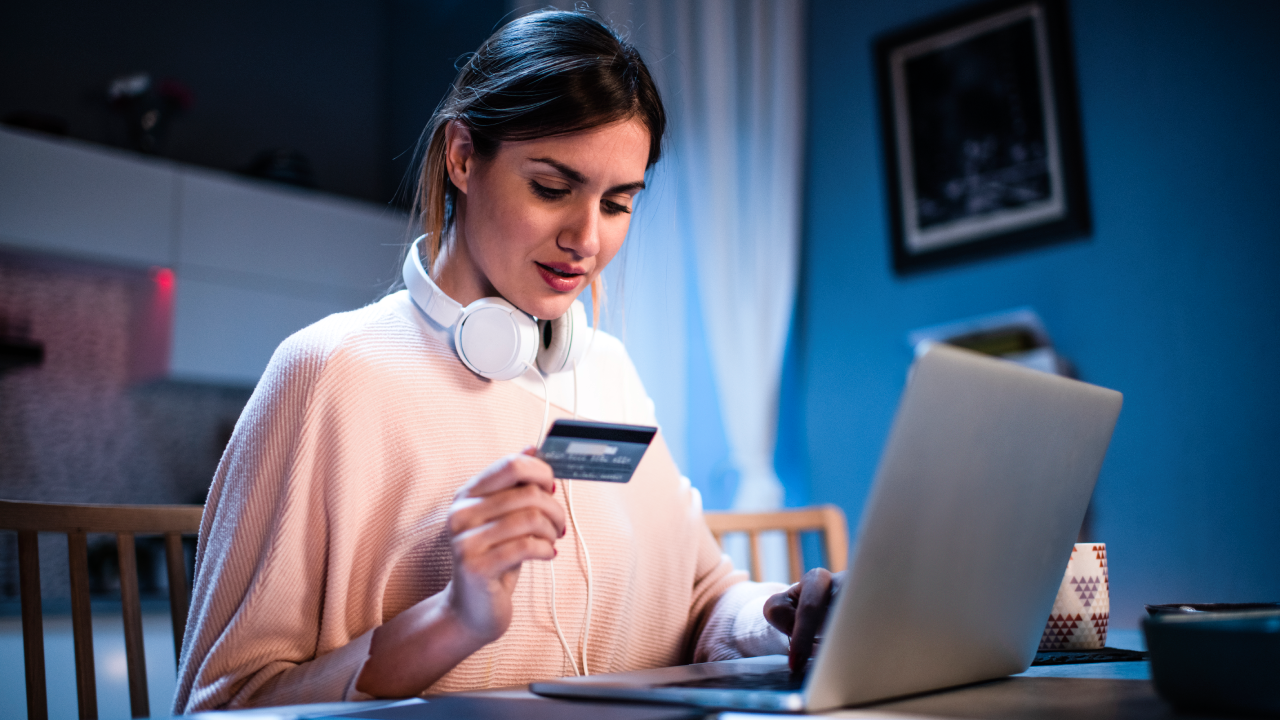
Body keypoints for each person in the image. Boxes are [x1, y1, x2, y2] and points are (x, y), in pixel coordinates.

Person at [173, 9, 837, 713]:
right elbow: (223, 702)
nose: (587, 239)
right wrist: (453, 619)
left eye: (617, 204)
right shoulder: (331, 373)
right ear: (462, 157)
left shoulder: (606, 372)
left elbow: (703, 600)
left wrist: (782, 618)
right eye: (552, 188)